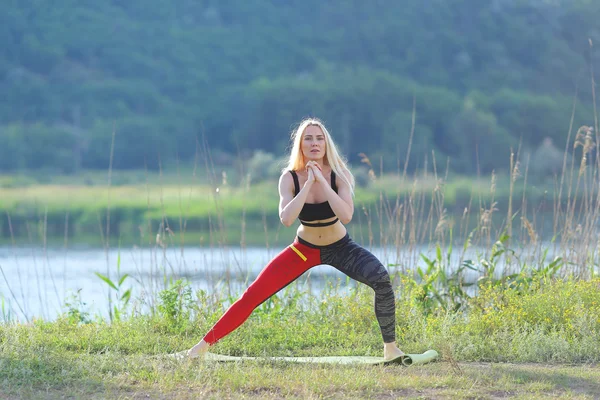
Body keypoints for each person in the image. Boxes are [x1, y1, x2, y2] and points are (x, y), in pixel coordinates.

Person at [187, 118, 405, 360]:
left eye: (319, 138)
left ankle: (391, 350)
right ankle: (200, 348)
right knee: (252, 295)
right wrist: (308, 183)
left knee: (382, 280)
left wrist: (321, 180)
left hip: (341, 248)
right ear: (300, 145)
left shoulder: (340, 175)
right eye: (308, 138)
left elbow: (346, 215)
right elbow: (287, 219)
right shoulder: (288, 178)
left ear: (326, 144)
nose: (314, 143)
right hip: (304, 250)